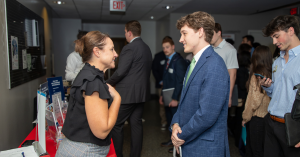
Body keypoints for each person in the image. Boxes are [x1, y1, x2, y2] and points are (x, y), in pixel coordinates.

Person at [170, 11, 230, 157]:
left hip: (205, 148)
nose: (180, 39)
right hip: (191, 142)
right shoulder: (195, 63)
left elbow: (206, 115)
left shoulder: (215, 65)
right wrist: (175, 124)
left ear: (200, 32)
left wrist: (180, 136)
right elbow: (184, 102)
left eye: (184, 33)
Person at [56, 31, 121, 157]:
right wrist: (117, 99)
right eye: (112, 49)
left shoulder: (87, 73)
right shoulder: (93, 81)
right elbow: (102, 131)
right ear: (97, 52)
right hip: (85, 151)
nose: (116, 54)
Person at [106, 20, 152, 157]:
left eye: (125, 32)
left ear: (129, 33)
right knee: (136, 125)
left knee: (116, 124)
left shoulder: (129, 48)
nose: (125, 34)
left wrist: (106, 83)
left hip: (127, 94)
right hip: (141, 94)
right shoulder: (146, 48)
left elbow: (121, 72)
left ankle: (117, 155)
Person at [259, 15, 300, 157]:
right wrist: (268, 87)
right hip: (271, 122)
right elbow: (277, 93)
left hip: (293, 126)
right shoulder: (277, 61)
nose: (274, 41)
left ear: (290, 31)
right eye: (272, 38)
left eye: (276, 36)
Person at [159, 37, 188, 153]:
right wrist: (161, 95)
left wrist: (175, 98)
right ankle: (172, 140)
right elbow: (166, 80)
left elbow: (180, 81)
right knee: (170, 120)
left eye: (167, 47)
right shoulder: (168, 60)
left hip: (174, 98)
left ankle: (178, 145)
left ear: (173, 46)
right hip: (167, 96)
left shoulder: (179, 61)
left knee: (176, 122)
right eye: (163, 48)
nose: (165, 50)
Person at [242, 46, 272, 157]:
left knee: (254, 151)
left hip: (256, 118)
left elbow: (254, 101)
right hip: (268, 118)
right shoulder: (272, 73)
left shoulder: (257, 76)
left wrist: (245, 117)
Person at [211, 23, 239, 108]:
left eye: (211, 34)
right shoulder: (209, 48)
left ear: (219, 33)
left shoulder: (230, 50)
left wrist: (229, 97)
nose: (208, 37)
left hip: (221, 92)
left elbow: (232, 74)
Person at [152, 37, 170, 131]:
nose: (165, 49)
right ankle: (164, 122)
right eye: (164, 46)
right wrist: (160, 81)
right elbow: (154, 70)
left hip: (171, 86)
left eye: (167, 46)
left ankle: (172, 122)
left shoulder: (175, 57)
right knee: (162, 104)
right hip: (161, 85)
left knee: (171, 104)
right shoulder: (158, 56)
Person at [234, 51, 251, 148]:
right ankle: (238, 142)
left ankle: (238, 142)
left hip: (241, 97)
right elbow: (241, 85)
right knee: (239, 119)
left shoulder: (241, 69)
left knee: (239, 119)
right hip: (241, 98)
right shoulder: (241, 70)